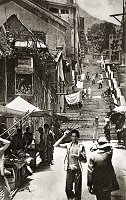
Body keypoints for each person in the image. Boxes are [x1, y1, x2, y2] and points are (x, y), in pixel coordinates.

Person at [54, 129, 87, 200]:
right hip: (69, 169)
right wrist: (64, 136)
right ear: (70, 137)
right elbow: (56, 145)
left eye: (75, 136)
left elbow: (85, 161)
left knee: (78, 190)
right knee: (68, 189)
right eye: (72, 136)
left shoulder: (81, 146)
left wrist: (79, 157)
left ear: (78, 137)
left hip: (77, 170)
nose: (74, 138)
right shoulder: (68, 145)